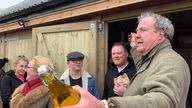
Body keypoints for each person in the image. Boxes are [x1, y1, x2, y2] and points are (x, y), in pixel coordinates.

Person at [63, 12, 191, 108]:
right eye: (137, 31)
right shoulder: (152, 59)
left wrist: (105, 105)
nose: (137, 34)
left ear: (160, 34)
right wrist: (135, 47)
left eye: (143, 30)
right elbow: (142, 66)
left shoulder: (169, 61)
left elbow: (164, 101)